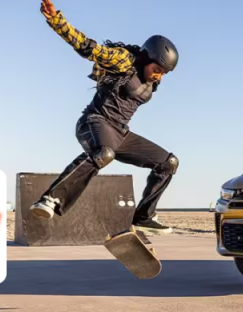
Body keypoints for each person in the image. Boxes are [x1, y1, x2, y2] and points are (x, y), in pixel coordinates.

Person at [29, 0, 179, 235]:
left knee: (168, 163)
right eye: (157, 70)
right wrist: (57, 20)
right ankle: (51, 199)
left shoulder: (152, 80)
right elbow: (88, 47)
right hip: (94, 122)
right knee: (104, 153)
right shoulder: (123, 61)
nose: (159, 77)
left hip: (121, 132)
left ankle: (144, 216)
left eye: (164, 74)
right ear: (147, 58)